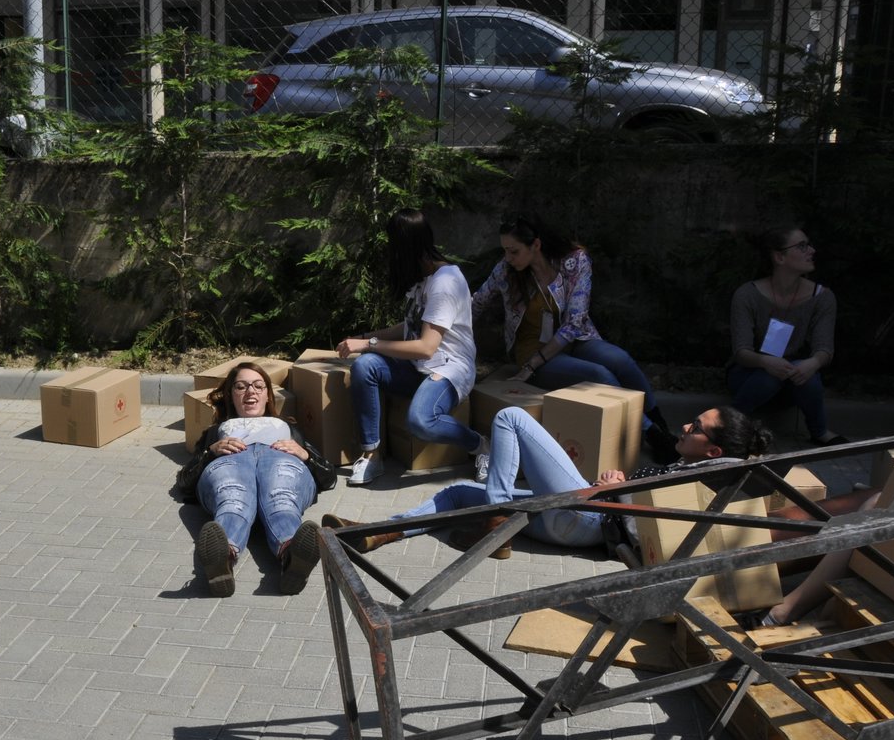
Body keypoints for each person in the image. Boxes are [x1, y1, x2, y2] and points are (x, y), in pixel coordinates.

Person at [325, 405, 770, 556]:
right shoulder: (690, 468)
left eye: (696, 428)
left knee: (511, 417)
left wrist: (615, 492)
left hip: (589, 519)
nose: (685, 427)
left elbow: (655, 528)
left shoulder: (711, 476)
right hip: (583, 515)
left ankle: (497, 514)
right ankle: (375, 534)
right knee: (458, 491)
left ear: (714, 451)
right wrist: (617, 482)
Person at [471, 214, 678, 461]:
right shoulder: (506, 270)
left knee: (621, 359)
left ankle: (660, 424)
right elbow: (477, 302)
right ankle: (651, 433)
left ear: (535, 245)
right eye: (505, 250)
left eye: (514, 251)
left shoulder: (576, 261)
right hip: (532, 350)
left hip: (575, 338)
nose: (508, 257)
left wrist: (534, 363)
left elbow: (575, 322)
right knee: (599, 376)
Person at [336, 209, 482, 486]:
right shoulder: (423, 279)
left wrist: (369, 343)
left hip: (449, 367)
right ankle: (371, 456)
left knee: (421, 421)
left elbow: (427, 347)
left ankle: (481, 446)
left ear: (405, 247)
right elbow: (409, 328)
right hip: (419, 367)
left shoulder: (445, 282)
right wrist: (364, 338)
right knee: (365, 365)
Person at [174, 362, 338, 596]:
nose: (250, 391)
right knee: (232, 500)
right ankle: (221, 560)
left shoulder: (287, 428)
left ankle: (294, 556)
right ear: (231, 396)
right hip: (232, 461)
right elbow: (184, 480)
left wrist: (307, 456)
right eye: (241, 387)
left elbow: (328, 477)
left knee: (281, 500)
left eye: (258, 386)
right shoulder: (217, 430)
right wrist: (210, 451)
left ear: (267, 395)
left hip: (280, 461)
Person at [728, 226, 845, 446]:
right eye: (802, 246)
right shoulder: (747, 294)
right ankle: (727, 424)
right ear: (779, 256)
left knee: (805, 374)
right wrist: (764, 361)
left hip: (794, 375)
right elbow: (741, 351)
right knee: (770, 376)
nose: (811, 250)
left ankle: (819, 431)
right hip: (750, 376)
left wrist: (813, 362)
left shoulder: (822, 297)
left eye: (808, 244)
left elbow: (825, 348)